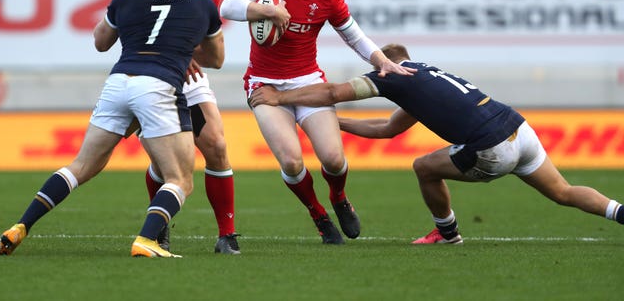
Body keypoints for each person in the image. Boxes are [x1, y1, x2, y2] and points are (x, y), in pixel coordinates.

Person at [0, 0, 225, 258]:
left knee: (81, 165)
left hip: (119, 83)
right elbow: (215, 60)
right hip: (158, 86)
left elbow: (101, 42)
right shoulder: (202, 3)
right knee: (181, 179)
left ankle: (21, 225)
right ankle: (146, 240)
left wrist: (117, 0)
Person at [248, 43, 624, 244]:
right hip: (518, 127)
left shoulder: (394, 77)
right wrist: (332, 124)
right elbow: (388, 129)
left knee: (424, 168)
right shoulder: (426, 74)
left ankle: (448, 235)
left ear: (387, 65)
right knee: (563, 191)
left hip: (490, 145)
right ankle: (620, 212)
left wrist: (282, 100)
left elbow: (333, 90)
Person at [219, 0, 415, 244]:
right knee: (292, 161)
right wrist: (268, 11)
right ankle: (319, 215)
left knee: (334, 159)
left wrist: (382, 61)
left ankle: (338, 196)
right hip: (265, 85)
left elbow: (353, 36)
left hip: (308, 83)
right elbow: (227, 6)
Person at [127, 0, 240, 255]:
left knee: (217, 146)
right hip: (151, 74)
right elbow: (132, 31)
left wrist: (187, 52)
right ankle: (158, 229)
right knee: (166, 165)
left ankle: (227, 235)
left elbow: (208, 43)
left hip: (188, 76)